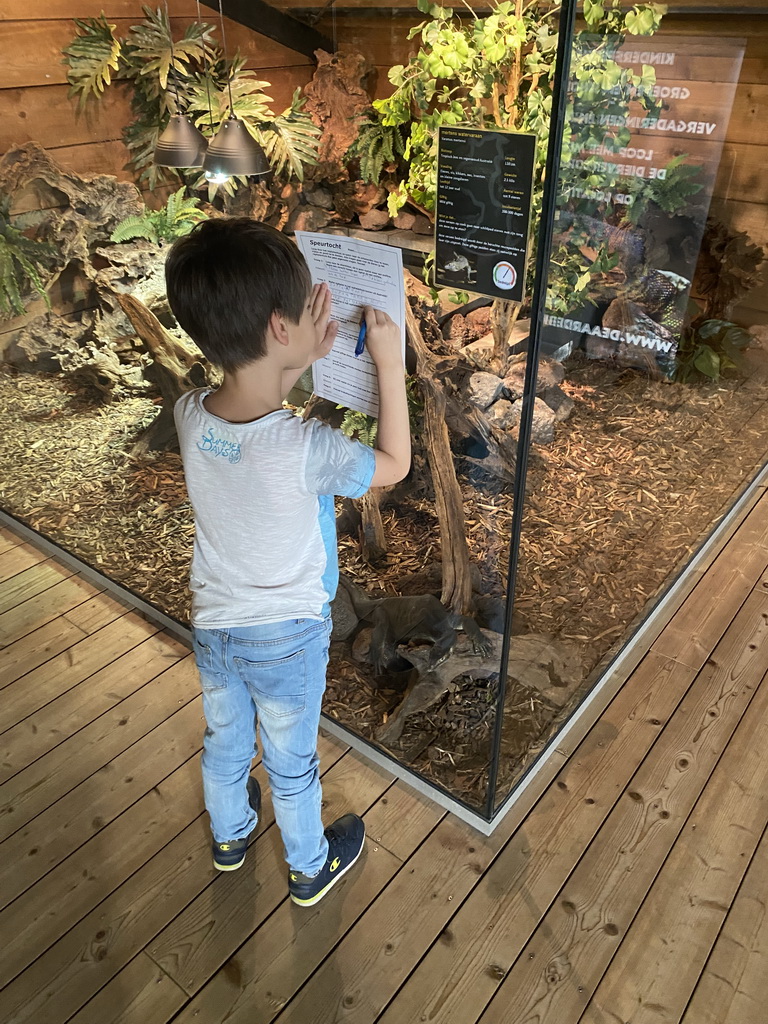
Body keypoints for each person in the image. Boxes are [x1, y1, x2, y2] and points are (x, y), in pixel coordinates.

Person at [165, 217, 410, 907]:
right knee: (291, 763)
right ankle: (307, 868)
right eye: (309, 313)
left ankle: (231, 835)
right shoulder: (308, 447)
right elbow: (393, 464)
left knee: (224, 740)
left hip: (217, 628)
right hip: (288, 637)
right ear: (279, 328)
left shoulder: (190, 415)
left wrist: (298, 357)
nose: (318, 319)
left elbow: (253, 403)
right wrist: (388, 364)